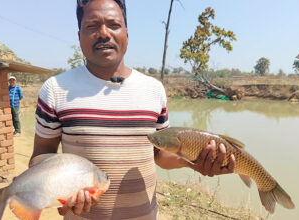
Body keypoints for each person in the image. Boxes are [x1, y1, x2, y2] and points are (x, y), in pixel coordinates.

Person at [30, 0, 236, 219]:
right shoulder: (55, 90)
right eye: (92, 26)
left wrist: (195, 163)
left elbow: (160, 154)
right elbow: (41, 156)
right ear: (79, 34)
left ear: (126, 33)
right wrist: (60, 195)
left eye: (113, 24)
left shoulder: (153, 89)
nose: (103, 33)